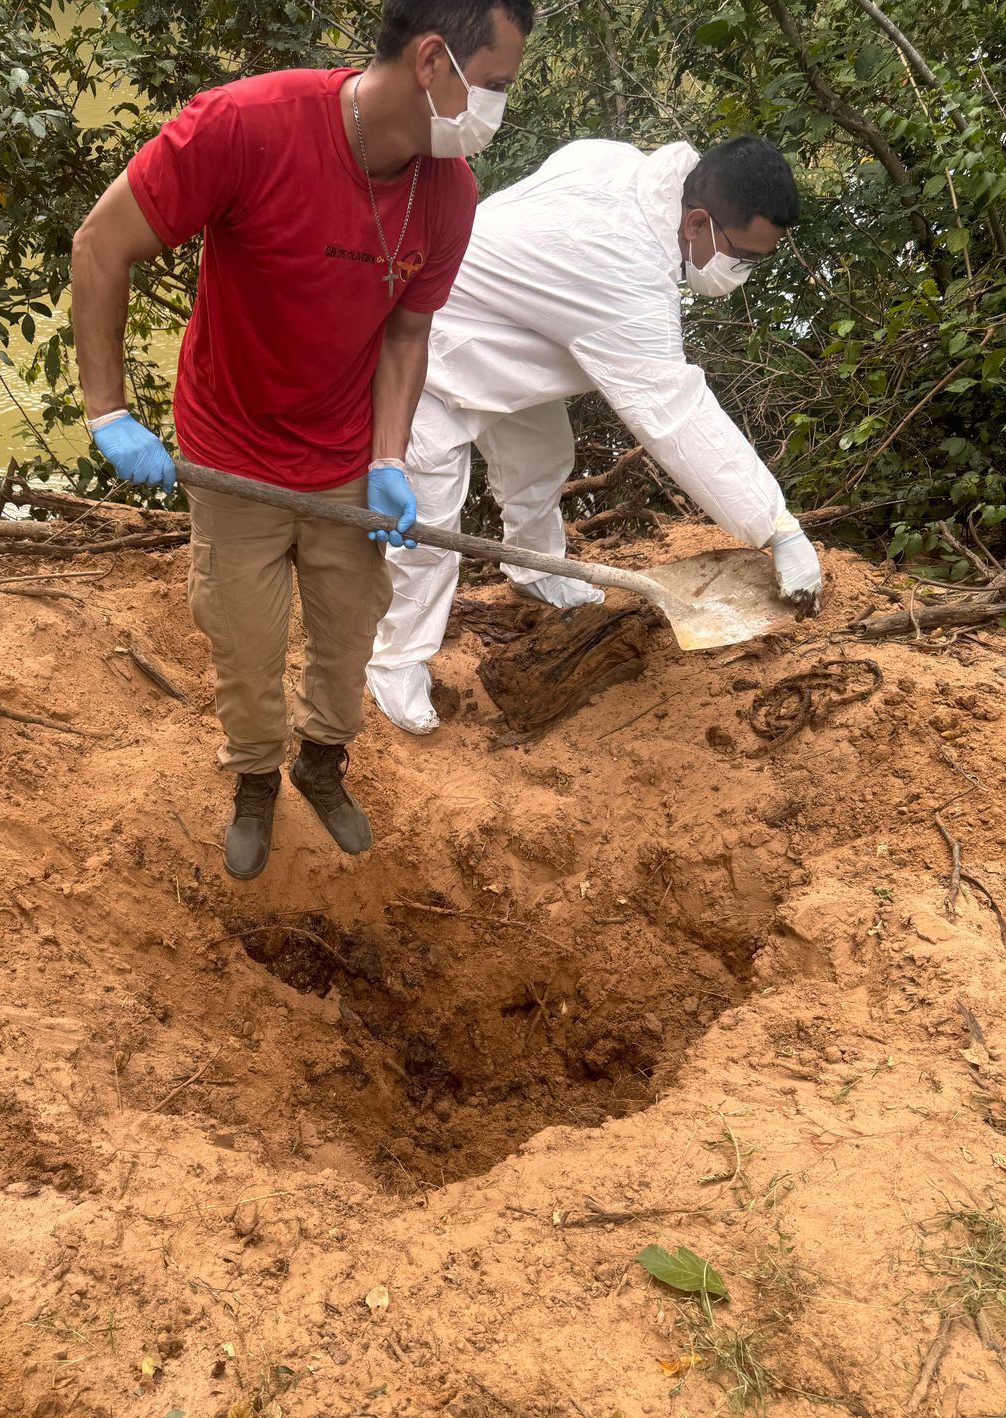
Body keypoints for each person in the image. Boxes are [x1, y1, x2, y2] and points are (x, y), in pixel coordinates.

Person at [71, 2, 532, 876]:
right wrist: (107, 410)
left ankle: (323, 763)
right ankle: (254, 780)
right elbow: (101, 244)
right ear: (435, 60)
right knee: (245, 643)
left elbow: (405, 334)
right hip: (230, 452)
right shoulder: (248, 126)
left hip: (345, 458)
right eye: (496, 86)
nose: (496, 113)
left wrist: (389, 457)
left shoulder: (449, 191)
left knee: (349, 627)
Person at [365, 135, 824, 735]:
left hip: (509, 338)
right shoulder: (621, 267)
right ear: (697, 221)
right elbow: (675, 413)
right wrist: (776, 526)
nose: (744, 272)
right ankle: (396, 661)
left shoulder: (621, 167)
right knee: (428, 526)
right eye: (744, 256)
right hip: (428, 350)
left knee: (543, 455)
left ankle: (533, 568)